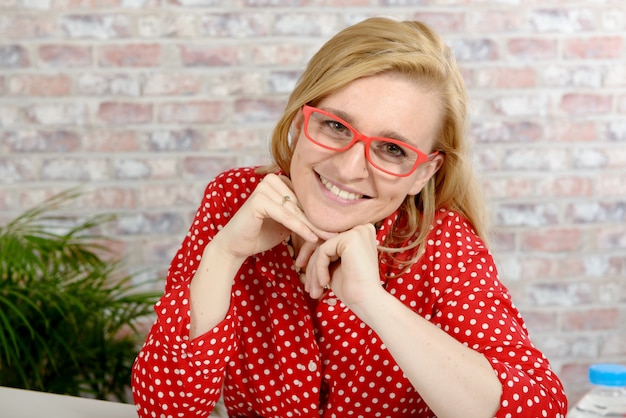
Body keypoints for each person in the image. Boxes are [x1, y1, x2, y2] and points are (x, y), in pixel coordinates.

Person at [131, 17, 568, 418]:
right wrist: (224, 254)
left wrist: (372, 301)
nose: (349, 167)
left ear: (422, 173)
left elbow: (539, 406)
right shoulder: (234, 201)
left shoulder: (440, 241)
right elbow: (165, 409)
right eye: (336, 126)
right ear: (302, 123)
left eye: (392, 149)